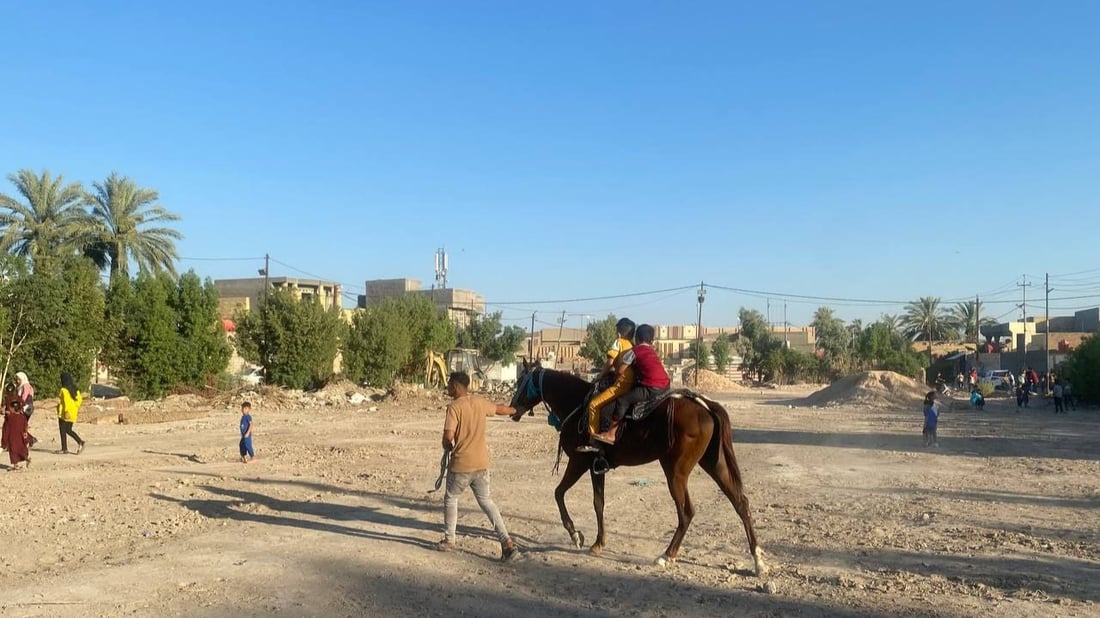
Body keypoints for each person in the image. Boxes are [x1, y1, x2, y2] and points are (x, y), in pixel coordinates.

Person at [438, 372, 519, 561]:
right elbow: (499, 409)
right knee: (486, 502)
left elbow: (448, 436)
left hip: (461, 465)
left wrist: (447, 445)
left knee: (451, 498)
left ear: (456, 386)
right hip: (482, 464)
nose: (447, 387)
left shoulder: (454, 407)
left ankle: (449, 540)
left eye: (449, 384)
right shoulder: (479, 402)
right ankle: (507, 542)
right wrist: (516, 410)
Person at [592, 324, 671, 446]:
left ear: (637, 339)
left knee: (623, 400)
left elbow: (620, 370)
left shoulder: (634, 351)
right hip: (666, 386)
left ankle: (611, 433)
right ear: (652, 340)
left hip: (651, 387)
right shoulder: (653, 352)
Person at [580, 318, 636, 452]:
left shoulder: (618, 342)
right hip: (632, 383)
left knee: (593, 405)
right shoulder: (633, 346)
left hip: (621, 383)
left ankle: (593, 440)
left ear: (619, 333)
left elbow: (610, 363)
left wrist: (599, 376)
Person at [3, 384, 31, 469]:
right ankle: (25, 457)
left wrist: (4, 440)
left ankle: (16, 465)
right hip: (20, 433)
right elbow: (25, 425)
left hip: (12, 433)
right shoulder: (22, 417)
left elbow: (7, 429)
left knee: (13, 449)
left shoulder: (8, 399)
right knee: (21, 447)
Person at [57, 373, 86, 454]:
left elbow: (65, 401)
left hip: (64, 413)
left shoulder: (63, 390)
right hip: (73, 413)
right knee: (68, 430)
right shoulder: (76, 389)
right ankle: (80, 442)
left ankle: (64, 448)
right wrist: (74, 408)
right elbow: (79, 400)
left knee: (63, 430)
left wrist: (66, 410)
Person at [14, 372, 37, 449]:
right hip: (23, 408)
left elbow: (24, 398)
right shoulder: (20, 387)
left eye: (18, 379)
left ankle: (30, 440)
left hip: (26, 408)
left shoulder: (26, 386)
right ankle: (30, 440)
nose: (17, 381)